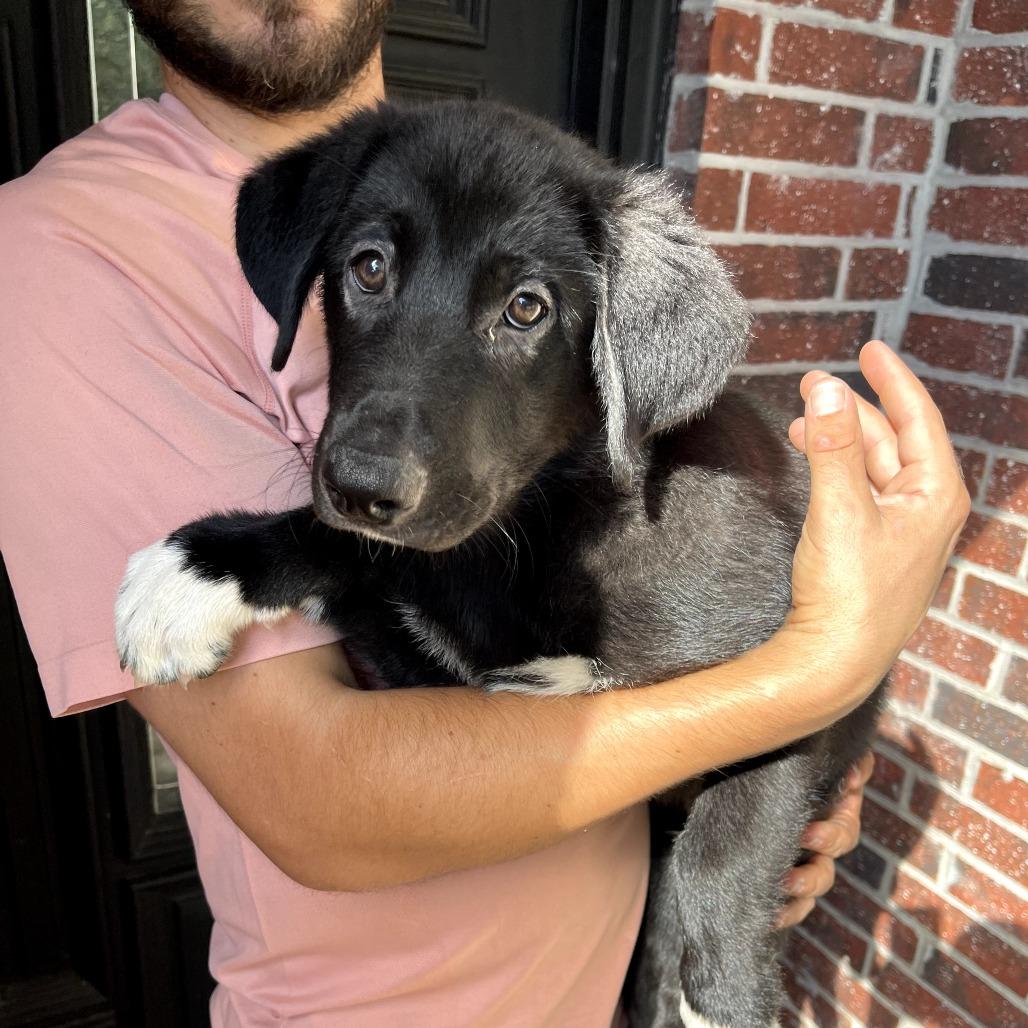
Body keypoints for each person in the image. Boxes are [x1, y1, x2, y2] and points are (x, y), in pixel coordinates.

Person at [0, 2, 968, 1025]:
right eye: (369, 270)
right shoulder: (65, 256)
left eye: (523, 308)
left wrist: (757, 809)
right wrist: (818, 670)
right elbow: (326, 797)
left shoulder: (460, 177)